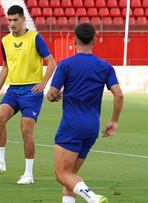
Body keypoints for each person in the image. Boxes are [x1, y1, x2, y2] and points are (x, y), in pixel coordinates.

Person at [47, 23, 124, 203]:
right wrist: (114, 121)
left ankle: (93, 198)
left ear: (74, 40)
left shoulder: (66, 65)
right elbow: (119, 94)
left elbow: (51, 94)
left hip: (72, 125)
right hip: (92, 126)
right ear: (94, 40)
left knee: (61, 174)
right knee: (71, 176)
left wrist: (54, 95)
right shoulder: (105, 66)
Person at [0, 5, 57, 184]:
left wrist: (43, 83)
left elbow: (52, 62)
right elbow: (5, 67)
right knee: (0, 118)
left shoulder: (34, 38)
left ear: (23, 19)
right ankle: (0, 162)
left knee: (26, 130)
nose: (12, 23)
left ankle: (29, 174)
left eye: (15, 20)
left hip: (32, 92)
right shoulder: (5, 41)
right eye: (9, 20)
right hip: (13, 90)